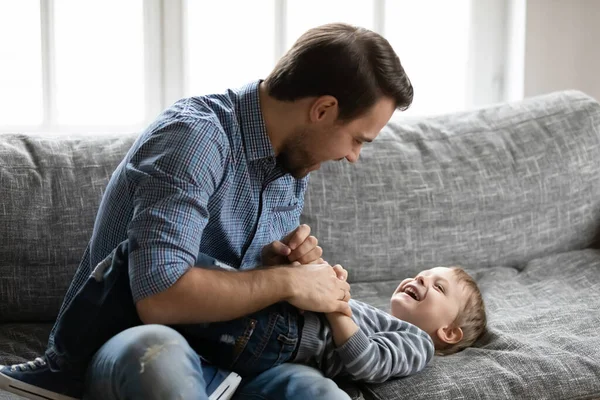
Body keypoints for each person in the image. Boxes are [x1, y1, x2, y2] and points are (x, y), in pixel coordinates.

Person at [0, 22, 414, 400]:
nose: (354, 157)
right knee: (158, 356)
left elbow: (245, 292)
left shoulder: (291, 165)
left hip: (228, 361)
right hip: (132, 340)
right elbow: (160, 297)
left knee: (317, 393)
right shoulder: (196, 137)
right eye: (359, 140)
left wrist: (277, 266)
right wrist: (286, 281)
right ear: (322, 110)